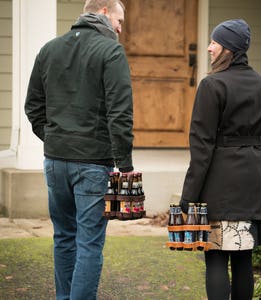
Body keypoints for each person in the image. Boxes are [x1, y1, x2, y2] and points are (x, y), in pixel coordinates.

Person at [25, 0, 133, 299]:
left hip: (55, 162)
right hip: (93, 165)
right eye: (119, 20)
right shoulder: (111, 52)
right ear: (102, 12)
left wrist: (54, 139)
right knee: (88, 244)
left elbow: (32, 106)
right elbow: (120, 113)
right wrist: (125, 165)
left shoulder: (49, 49)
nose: (121, 28)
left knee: (63, 238)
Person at [180, 19, 261, 300]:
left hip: (221, 187)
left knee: (215, 258)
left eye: (215, 42)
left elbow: (201, 149)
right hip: (255, 186)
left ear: (229, 48)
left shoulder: (212, 85)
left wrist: (188, 199)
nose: (210, 48)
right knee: (243, 259)